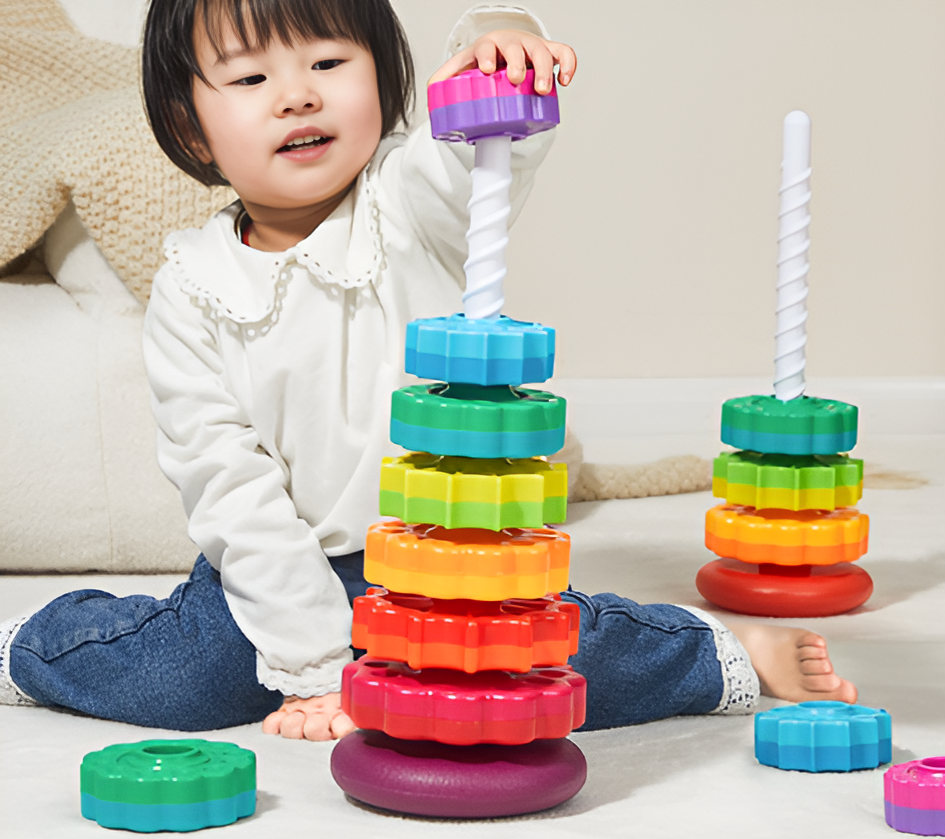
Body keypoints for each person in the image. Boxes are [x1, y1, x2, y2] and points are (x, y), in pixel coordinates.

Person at [0, 0, 857, 741]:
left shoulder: (410, 201)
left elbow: (491, 145)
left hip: (442, 557)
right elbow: (227, 488)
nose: (298, 93)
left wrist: (503, 36)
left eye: (330, 61)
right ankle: (32, 645)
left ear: (384, 78)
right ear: (193, 128)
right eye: (251, 80)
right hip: (277, 565)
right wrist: (315, 663)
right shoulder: (191, 287)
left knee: (542, 658)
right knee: (183, 681)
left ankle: (726, 656)